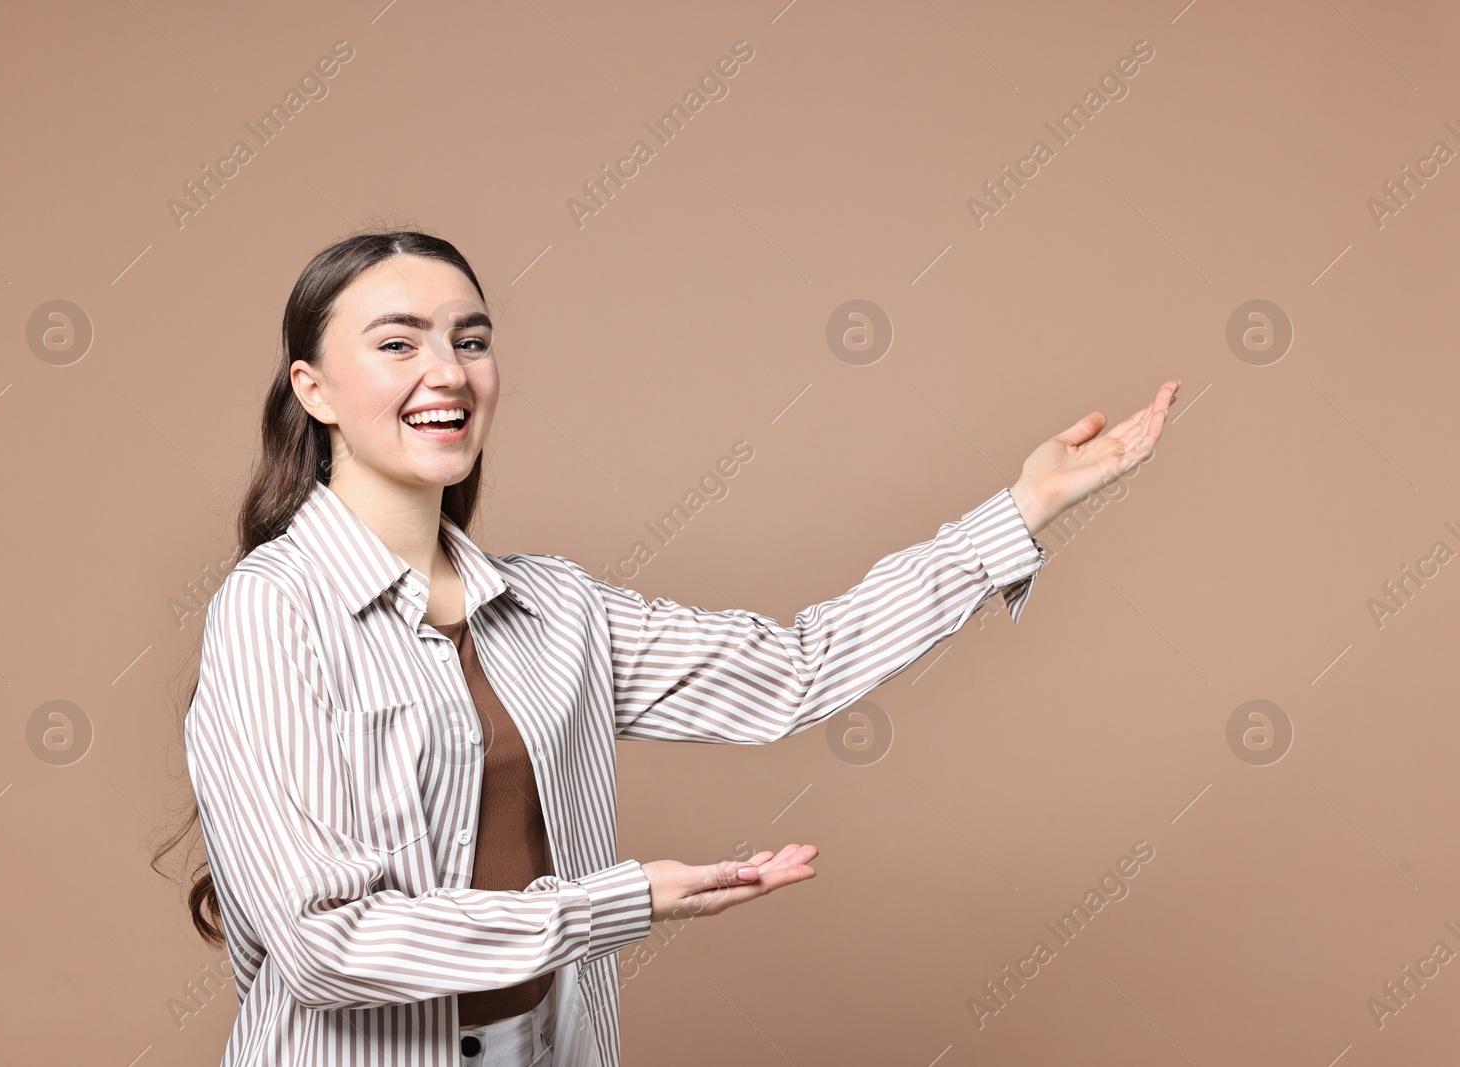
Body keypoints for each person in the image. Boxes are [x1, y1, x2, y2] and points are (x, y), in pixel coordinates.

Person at [160, 228, 1178, 1067]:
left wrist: (1022, 507)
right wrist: (621, 899)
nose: (448, 371)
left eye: (471, 339)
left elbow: (795, 667)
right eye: (397, 343)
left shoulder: (554, 606)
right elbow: (327, 942)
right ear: (314, 389)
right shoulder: (270, 612)